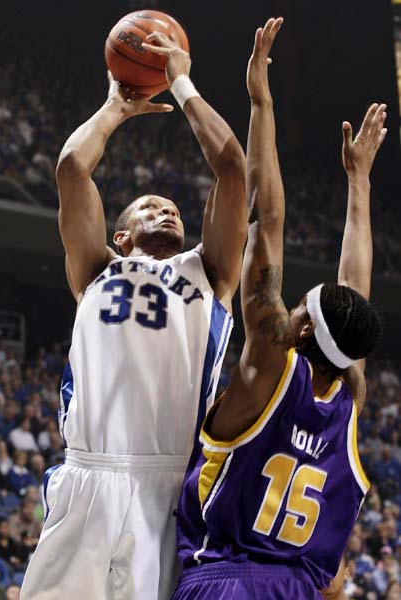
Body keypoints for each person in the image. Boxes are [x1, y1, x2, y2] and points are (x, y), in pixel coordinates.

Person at [21, 29, 247, 600]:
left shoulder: (211, 271)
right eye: (152, 206)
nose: (167, 210)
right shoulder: (96, 267)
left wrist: (181, 80)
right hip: (89, 470)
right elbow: (73, 168)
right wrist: (114, 108)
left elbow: (233, 169)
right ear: (121, 233)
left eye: (173, 207)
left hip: (167, 484)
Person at [172, 17, 387, 600]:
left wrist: (260, 104)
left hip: (230, 580)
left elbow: (266, 222)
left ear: (302, 325)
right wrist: (359, 182)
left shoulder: (271, 363)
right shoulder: (349, 393)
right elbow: (356, 296)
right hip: (300, 588)